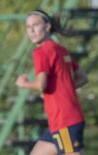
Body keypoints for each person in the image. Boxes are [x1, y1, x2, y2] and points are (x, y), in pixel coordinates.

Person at [15, 10, 87, 155]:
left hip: (64, 121)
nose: (32, 30)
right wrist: (58, 90)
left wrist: (24, 84)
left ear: (47, 26)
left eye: (35, 25)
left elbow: (41, 84)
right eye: (28, 27)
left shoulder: (41, 52)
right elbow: (82, 77)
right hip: (59, 121)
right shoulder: (60, 49)